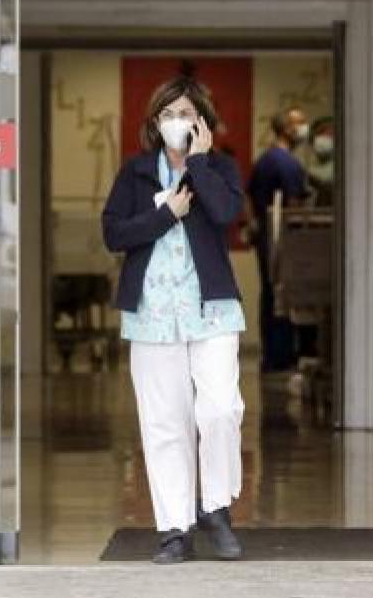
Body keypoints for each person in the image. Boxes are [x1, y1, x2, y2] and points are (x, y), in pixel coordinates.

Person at [101, 73, 247, 565]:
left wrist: (200, 163)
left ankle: (217, 508)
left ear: (202, 121)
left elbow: (228, 213)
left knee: (221, 410)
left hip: (213, 310)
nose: (175, 122)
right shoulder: (136, 174)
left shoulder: (220, 168)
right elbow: (114, 234)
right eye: (167, 114)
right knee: (165, 424)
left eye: (184, 113)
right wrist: (168, 215)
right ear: (153, 122)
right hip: (152, 316)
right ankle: (174, 530)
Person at [244, 107, 309, 372]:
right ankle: (282, 356)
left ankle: (271, 355)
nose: (303, 128)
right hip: (282, 241)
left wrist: (254, 225)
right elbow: (294, 206)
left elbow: (248, 197)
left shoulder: (264, 161)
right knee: (283, 297)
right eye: (299, 123)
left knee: (270, 296)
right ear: (287, 129)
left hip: (266, 240)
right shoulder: (288, 164)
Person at [306, 115, 335, 208]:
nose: (321, 139)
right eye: (319, 134)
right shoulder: (313, 168)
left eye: (328, 134)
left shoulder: (342, 169)